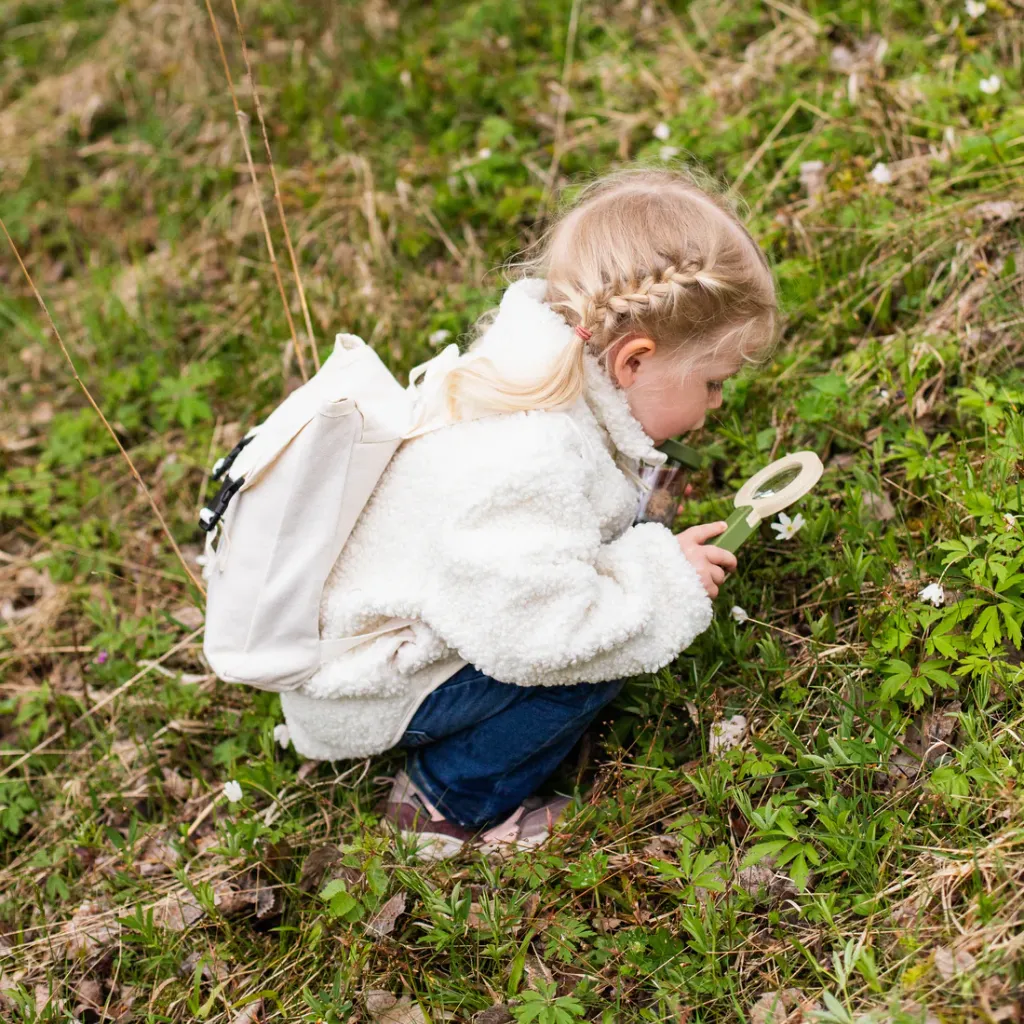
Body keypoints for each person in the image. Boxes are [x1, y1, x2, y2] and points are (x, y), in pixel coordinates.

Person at [279, 166, 778, 860]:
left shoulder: (539, 364)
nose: (718, 404)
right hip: (369, 682)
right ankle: (445, 802)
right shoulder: (537, 454)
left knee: (596, 597)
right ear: (633, 361)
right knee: (598, 650)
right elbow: (537, 633)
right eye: (714, 383)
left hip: (413, 616)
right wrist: (660, 582)